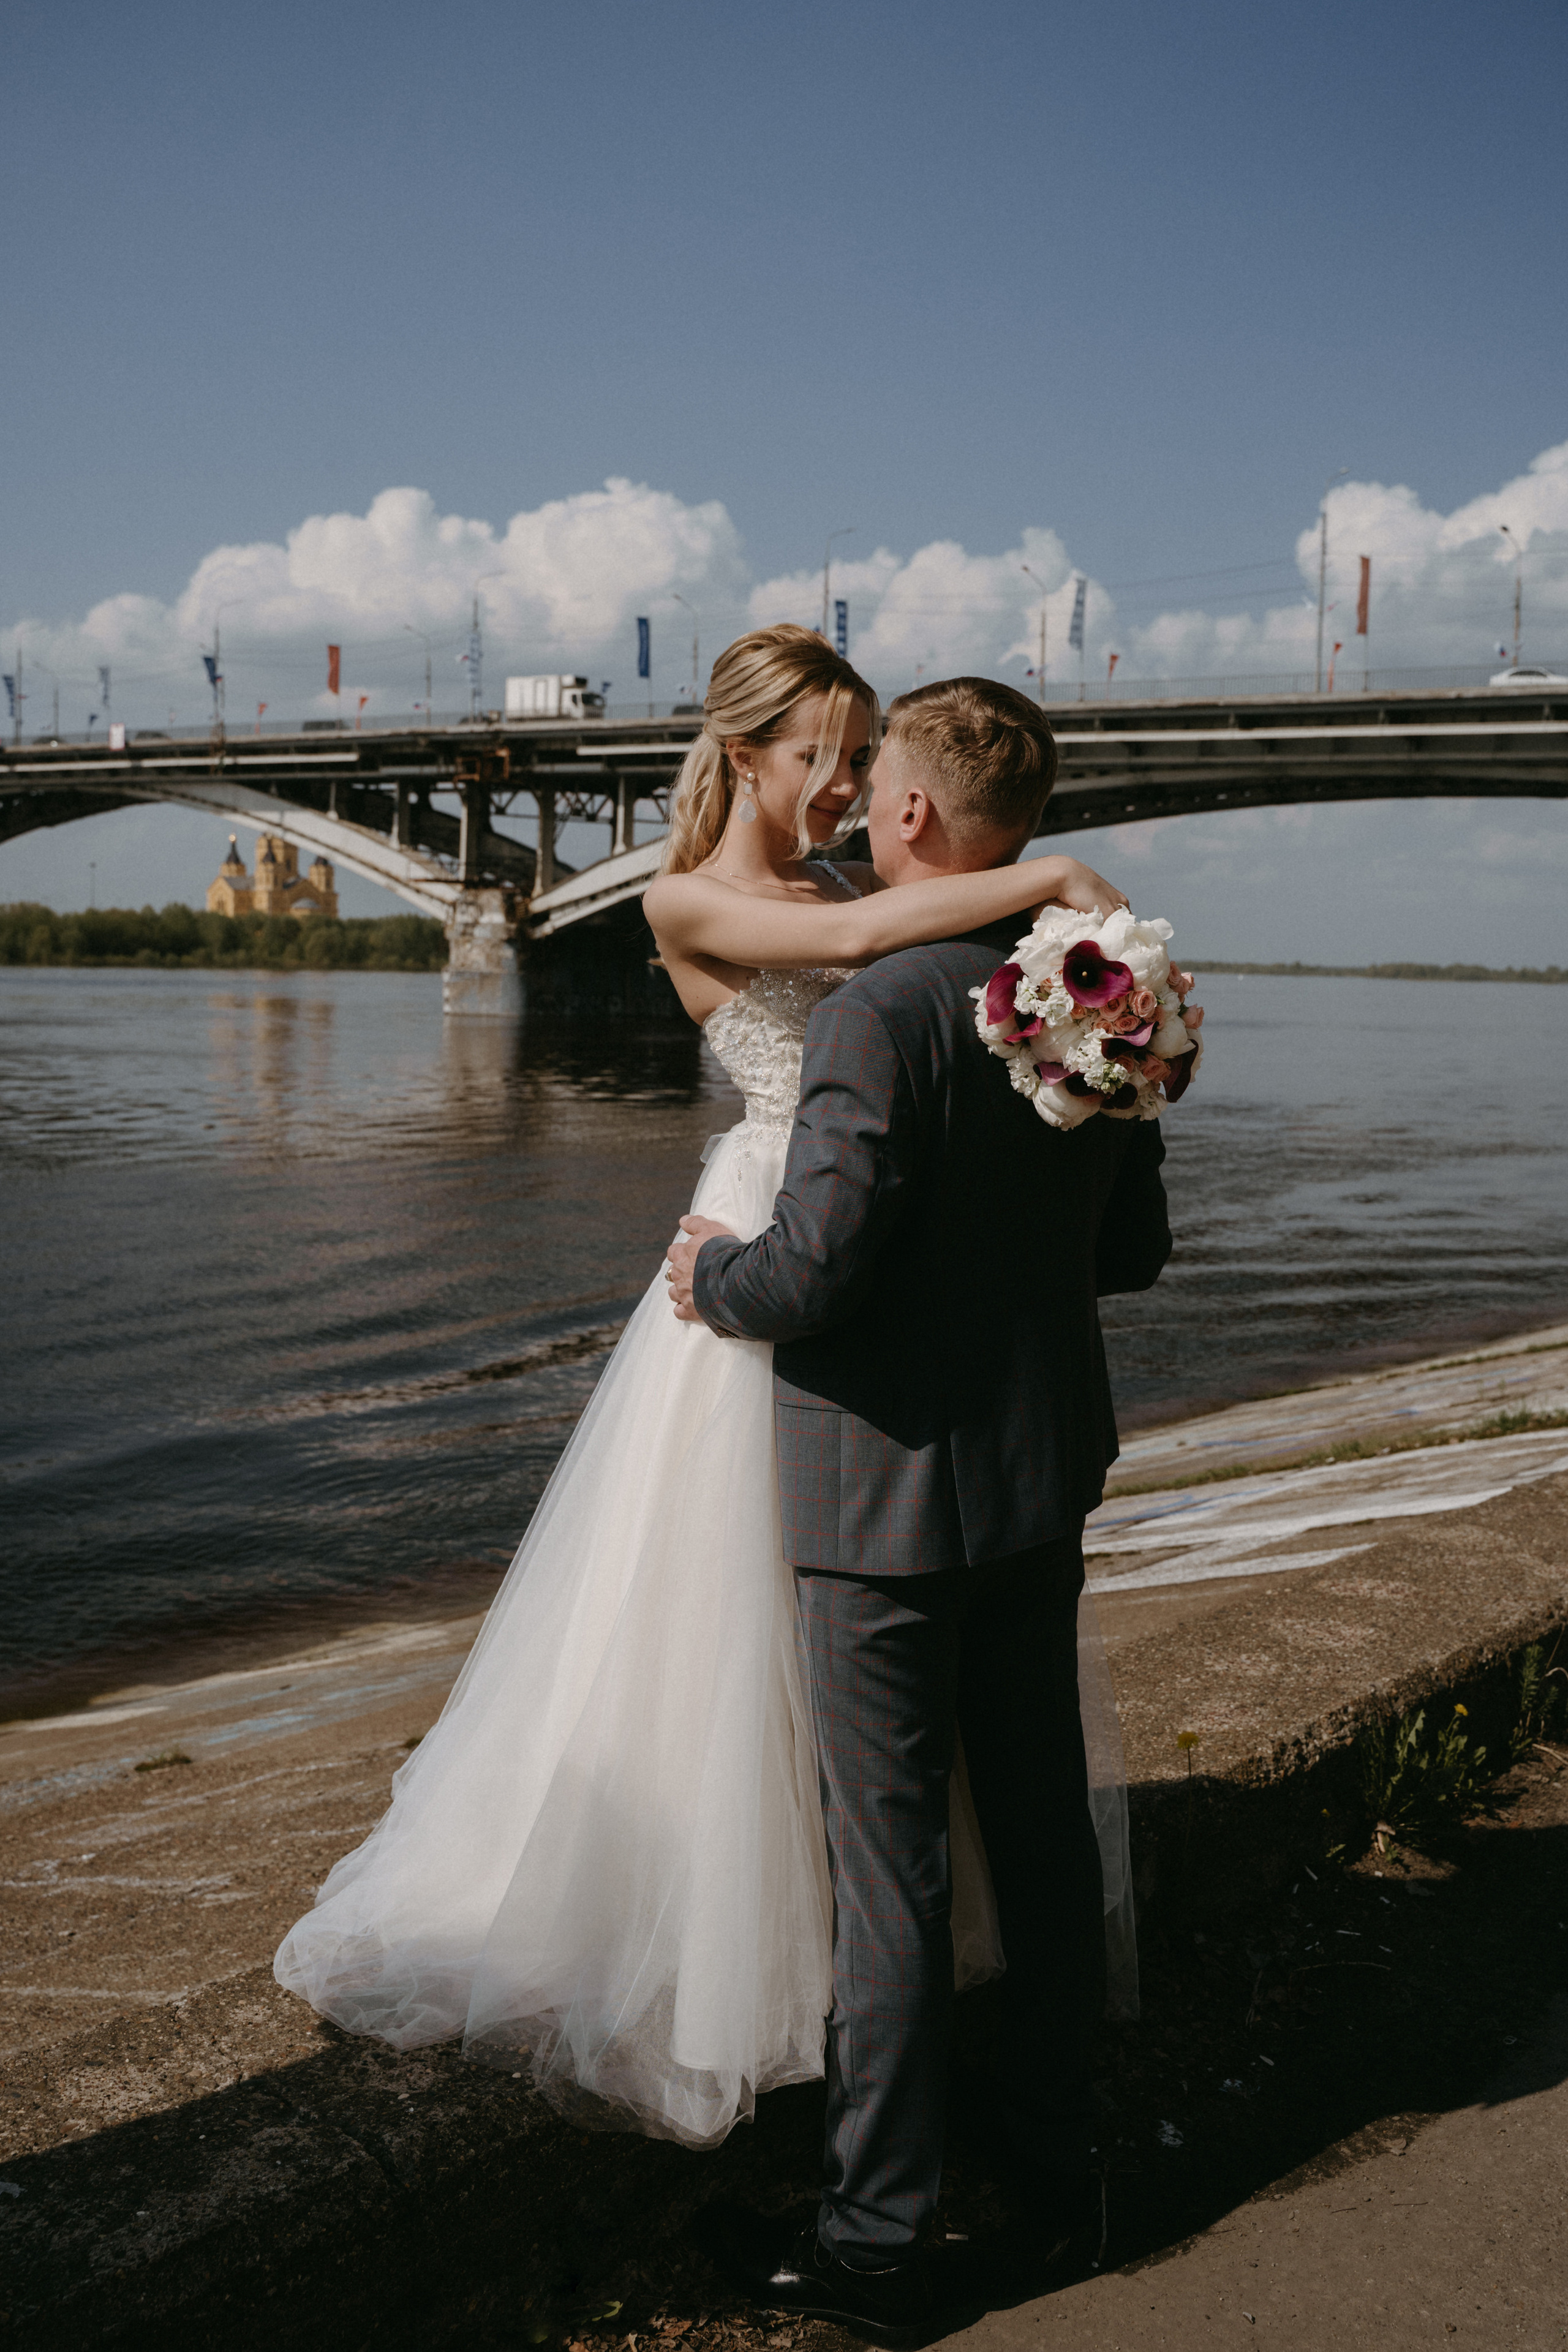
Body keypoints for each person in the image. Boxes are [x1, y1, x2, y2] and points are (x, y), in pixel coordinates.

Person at [273, 625, 1134, 2157]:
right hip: (758, 1248)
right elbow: (874, 964)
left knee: (864, 1659)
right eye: (826, 755)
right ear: (744, 757)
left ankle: (885, 2001)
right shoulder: (691, 899)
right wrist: (1060, 887)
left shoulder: (862, 881)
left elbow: (917, 971)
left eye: (868, 757)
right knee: (727, 1627)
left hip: (847, 1249)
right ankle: (763, 1962)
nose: (854, 782)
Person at [666, 669, 1171, 2339]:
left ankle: (879, 2245)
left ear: (908, 815)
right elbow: (1131, 1253)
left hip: (878, 1495)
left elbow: (814, 1268)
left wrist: (713, 1280)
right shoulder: (1104, 991)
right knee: (1032, 1836)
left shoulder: (881, 1009)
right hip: (1039, 1478)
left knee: (892, 1879)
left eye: (871, 774)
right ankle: (1064, 2174)